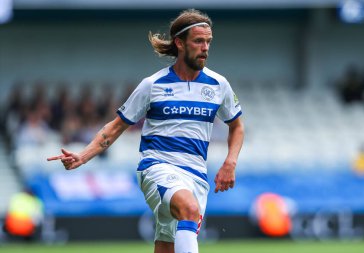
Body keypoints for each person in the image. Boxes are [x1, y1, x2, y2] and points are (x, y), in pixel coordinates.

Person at [47, 9, 244, 253]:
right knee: (189, 210)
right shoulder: (153, 84)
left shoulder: (218, 85)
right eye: (198, 41)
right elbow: (116, 126)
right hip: (157, 167)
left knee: (166, 243)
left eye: (208, 42)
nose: (205, 47)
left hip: (196, 173)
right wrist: (83, 156)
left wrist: (230, 162)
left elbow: (236, 126)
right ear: (179, 43)